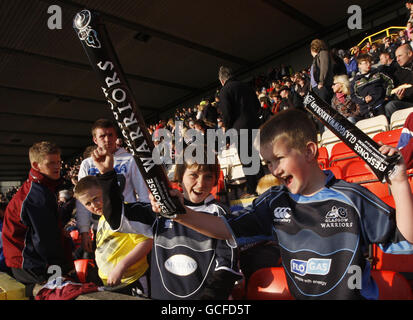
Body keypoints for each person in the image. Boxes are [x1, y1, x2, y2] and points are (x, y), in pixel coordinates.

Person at [152, 109, 413, 300]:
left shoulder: (353, 197)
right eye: (268, 163)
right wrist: (177, 213)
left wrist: (399, 182)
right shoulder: (274, 201)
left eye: (278, 159)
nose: (274, 170)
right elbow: (224, 227)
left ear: (310, 151)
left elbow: (407, 239)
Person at [92, 145, 242, 300]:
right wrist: (107, 174)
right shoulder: (160, 209)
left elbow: (227, 268)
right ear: (180, 175)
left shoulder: (220, 214)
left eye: (208, 176)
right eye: (194, 175)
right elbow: (116, 217)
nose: (201, 183)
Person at [1, 141, 74, 297]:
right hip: (32, 264)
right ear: (36, 165)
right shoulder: (37, 195)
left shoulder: (39, 188)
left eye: (59, 162)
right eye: (51, 163)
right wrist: (62, 267)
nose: (57, 166)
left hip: (26, 261)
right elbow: (46, 239)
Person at [76, 119, 150, 258]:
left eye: (110, 135)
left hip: (126, 224)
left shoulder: (130, 159)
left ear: (116, 137)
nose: (107, 139)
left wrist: (146, 223)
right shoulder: (87, 164)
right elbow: (82, 199)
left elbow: (143, 192)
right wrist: (84, 230)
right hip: (99, 227)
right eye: (102, 136)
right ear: (95, 139)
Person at [74, 176, 153, 297]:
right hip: (112, 282)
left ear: (105, 192)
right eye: (88, 203)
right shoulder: (101, 219)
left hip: (132, 280)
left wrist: (121, 267)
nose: (94, 205)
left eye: (96, 198)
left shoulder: (124, 214)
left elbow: (146, 242)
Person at [217, 66, 264, 198]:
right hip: (253, 125)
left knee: (246, 159)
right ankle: (262, 185)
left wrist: (228, 130)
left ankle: (252, 189)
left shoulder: (225, 90)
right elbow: (257, 106)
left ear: (222, 79)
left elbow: (227, 114)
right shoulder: (246, 86)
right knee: (255, 157)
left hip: (239, 128)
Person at [350, 53, 394, 119]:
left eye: (369, 62)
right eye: (365, 63)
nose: (369, 64)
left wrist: (387, 96)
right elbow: (353, 96)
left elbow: (390, 82)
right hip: (366, 111)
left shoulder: (378, 73)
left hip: (381, 106)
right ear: (359, 65)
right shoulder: (355, 81)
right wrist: (363, 99)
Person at [310, 39, 334, 103]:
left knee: (325, 105)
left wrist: (321, 82)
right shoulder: (317, 57)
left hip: (323, 85)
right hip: (318, 86)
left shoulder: (323, 53)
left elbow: (324, 68)